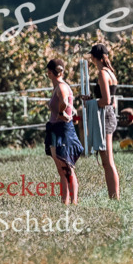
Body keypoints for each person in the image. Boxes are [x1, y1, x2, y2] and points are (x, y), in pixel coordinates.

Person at [82, 43, 120, 199]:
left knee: (108, 161)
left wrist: (90, 103)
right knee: (106, 161)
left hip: (104, 116)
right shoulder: (111, 73)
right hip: (109, 115)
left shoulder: (102, 74)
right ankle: (113, 196)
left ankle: (114, 197)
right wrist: (92, 99)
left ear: (93, 57)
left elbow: (106, 100)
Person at [44, 58, 83, 205]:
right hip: (55, 129)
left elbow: (65, 102)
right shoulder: (58, 86)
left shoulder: (61, 87)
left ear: (49, 73)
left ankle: (73, 202)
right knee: (61, 169)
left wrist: (62, 113)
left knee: (67, 167)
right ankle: (64, 202)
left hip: (63, 130)